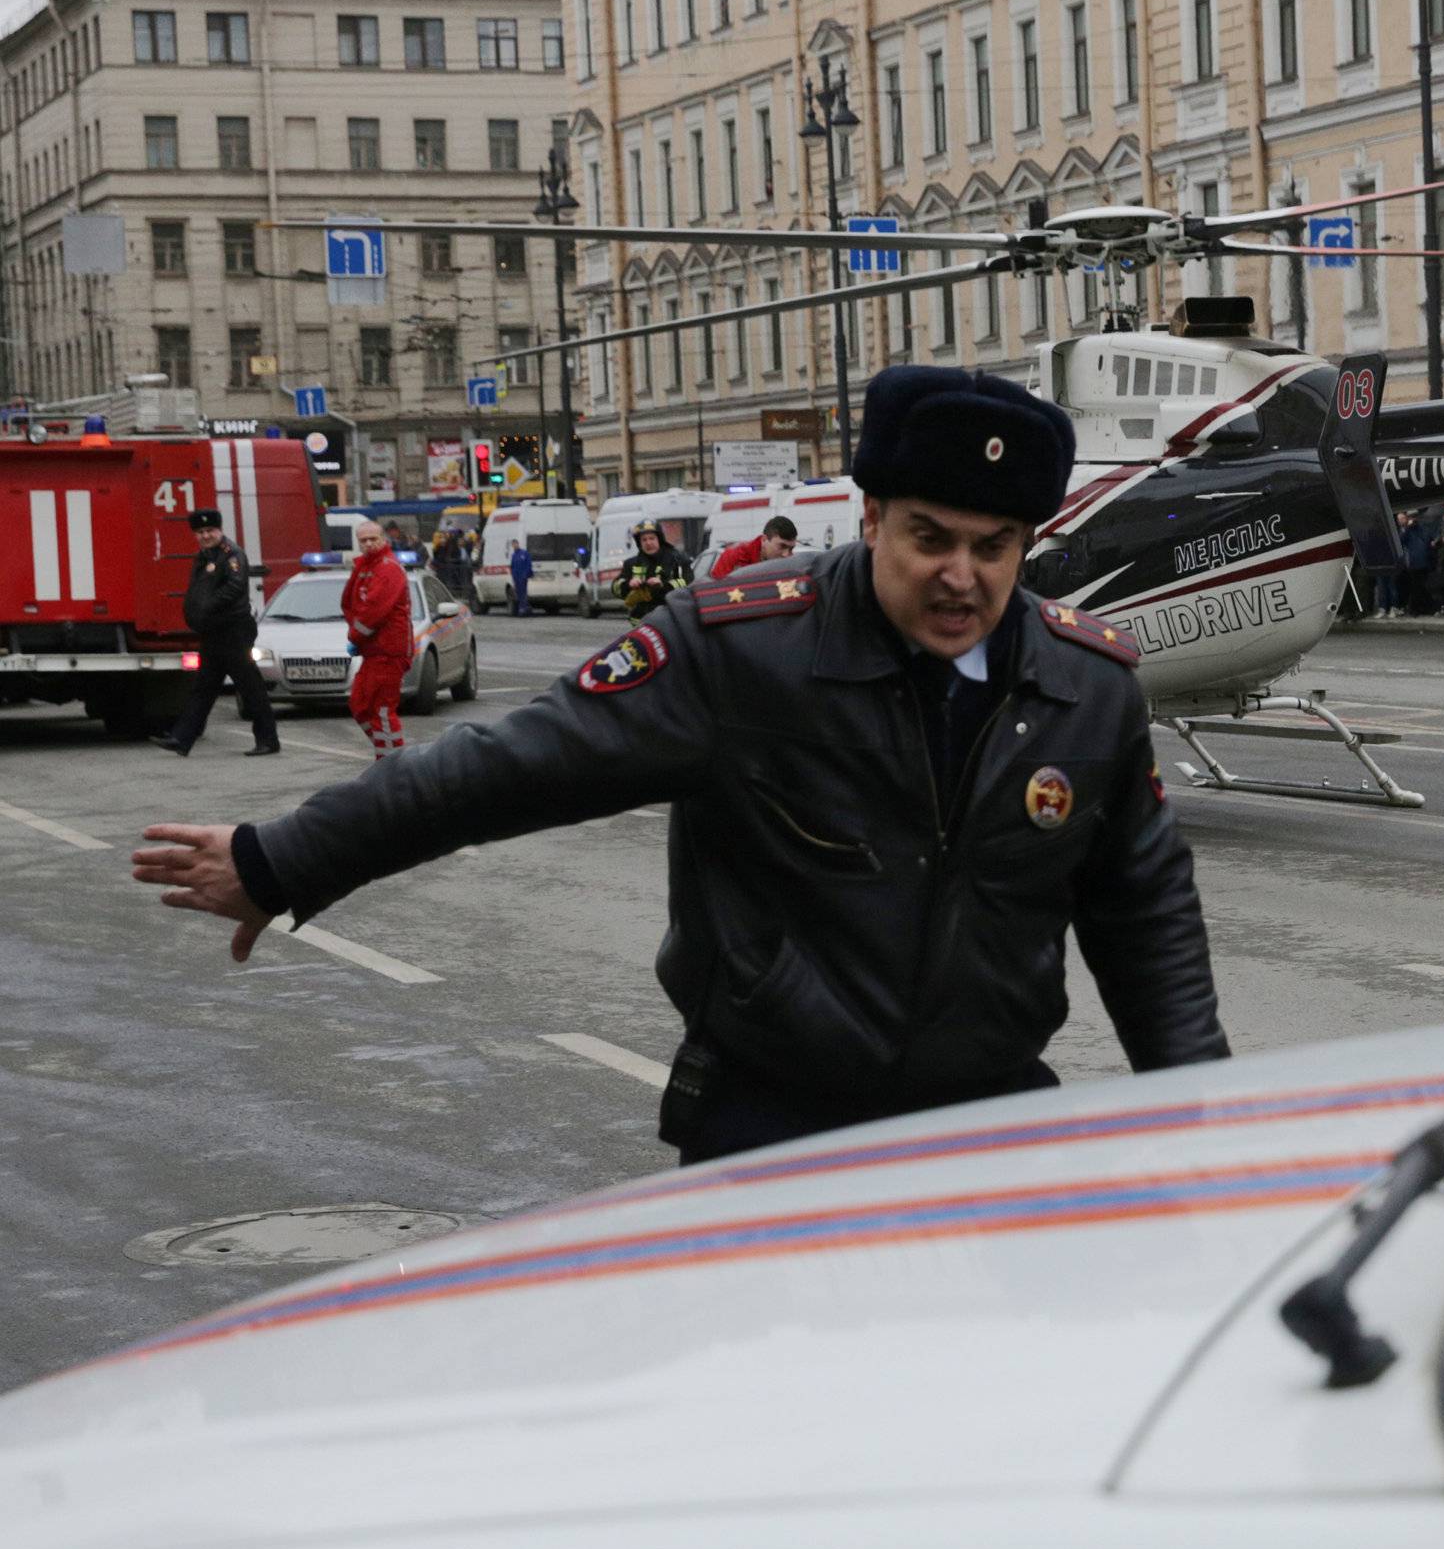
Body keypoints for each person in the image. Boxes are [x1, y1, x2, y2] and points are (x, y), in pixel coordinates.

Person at [133, 366, 1228, 1165]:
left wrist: (1211, 1128)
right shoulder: (740, 650)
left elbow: (1144, 914)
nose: (961, 577)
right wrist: (285, 862)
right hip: (773, 1127)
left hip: (991, 1128)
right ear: (871, 516)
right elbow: (506, 768)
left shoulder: (1086, 687)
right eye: (929, 539)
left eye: (993, 549)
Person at [151, 508, 281, 758]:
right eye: (200, 532)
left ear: (219, 531)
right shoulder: (204, 556)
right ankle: (182, 738)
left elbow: (234, 587)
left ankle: (268, 739)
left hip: (233, 629)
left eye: (210, 531)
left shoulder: (231, 554)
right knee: (204, 687)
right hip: (214, 631)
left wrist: (206, 606)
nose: (205, 535)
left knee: (249, 686)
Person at [342, 518, 413, 759]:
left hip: (388, 651)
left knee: (381, 710)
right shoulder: (366, 566)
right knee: (360, 705)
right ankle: (388, 756)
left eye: (374, 539)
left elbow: (373, 611)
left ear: (383, 539)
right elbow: (353, 604)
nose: (369, 543)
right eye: (364, 540)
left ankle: (393, 764)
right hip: (373, 651)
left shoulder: (387, 568)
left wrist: (355, 636)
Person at [616, 521, 693, 621]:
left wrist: (664, 585)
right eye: (644, 540)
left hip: (671, 619)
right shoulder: (631, 564)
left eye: (652, 538)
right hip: (641, 623)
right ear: (639, 543)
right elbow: (616, 588)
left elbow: (688, 582)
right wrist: (628, 585)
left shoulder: (677, 560)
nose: (648, 543)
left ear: (659, 540)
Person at [711, 514, 797, 579]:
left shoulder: (791, 565)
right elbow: (717, 593)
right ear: (764, 540)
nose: (786, 554)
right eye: (782, 546)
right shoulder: (734, 556)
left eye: (791, 548)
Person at [508, 540, 534, 616]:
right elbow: (512, 566)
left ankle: (523, 608)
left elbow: (528, 564)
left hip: (523, 577)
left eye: (515, 544)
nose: (514, 546)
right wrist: (513, 576)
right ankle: (522, 608)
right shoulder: (514, 555)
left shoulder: (524, 553)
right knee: (518, 594)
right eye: (513, 545)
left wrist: (526, 574)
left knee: (523, 593)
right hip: (516, 578)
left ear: (518, 544)